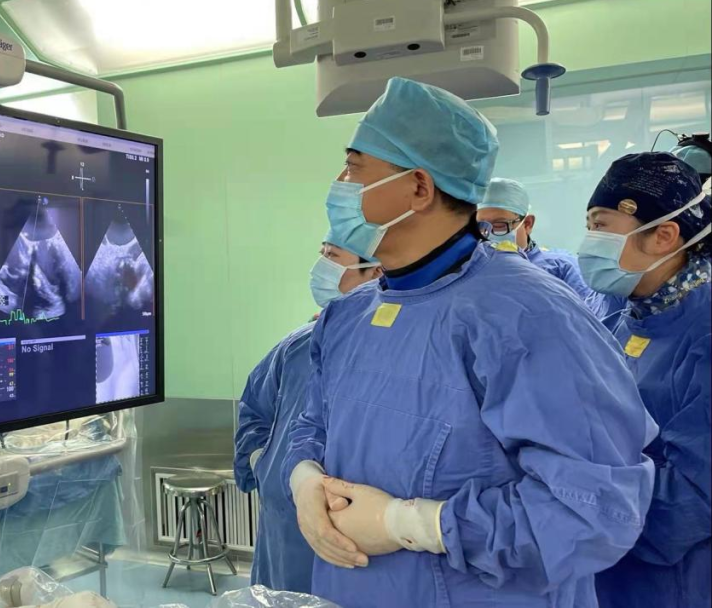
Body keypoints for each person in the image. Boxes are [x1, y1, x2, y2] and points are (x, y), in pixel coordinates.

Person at [281, 77, 655, 608]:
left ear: (419, 187)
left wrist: (411, 524)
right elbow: (312, 424)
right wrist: (304, 479)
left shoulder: (528, 318)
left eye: (354, 168)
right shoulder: (348, 316)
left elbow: (594, 508)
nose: (340, 184)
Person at [579, 152, 711, 608]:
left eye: (601, 225)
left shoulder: (704, 334)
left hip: (674, 579)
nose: (588, 241)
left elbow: (696, 496)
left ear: (664, 235)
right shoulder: (624, 319)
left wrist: (580, 513)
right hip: (613, 566)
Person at [234, 242, 382, 593]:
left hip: (359, 531)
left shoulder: (393, 352)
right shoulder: (297, 345)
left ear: (377, 272)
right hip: (286, 530)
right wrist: (269, 469)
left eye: (333, 257)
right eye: (322, 253)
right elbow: (254, 412)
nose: (321, 266)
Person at [476, 177, 593, 299]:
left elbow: (588, 308)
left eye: (499, 225)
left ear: (527, 224)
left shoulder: (562, 268)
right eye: (481, 226)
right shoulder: (475, 271)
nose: (488, 234)